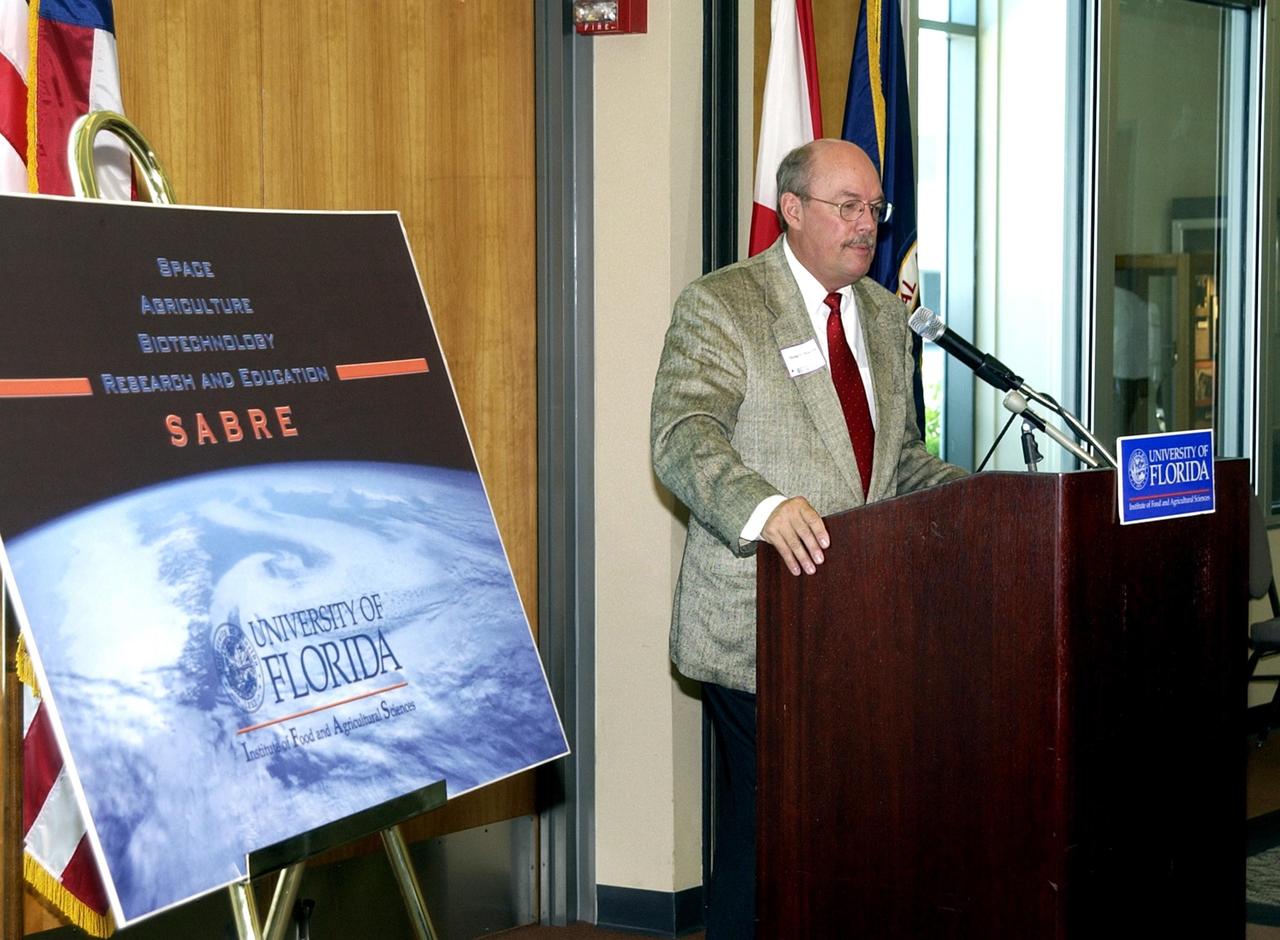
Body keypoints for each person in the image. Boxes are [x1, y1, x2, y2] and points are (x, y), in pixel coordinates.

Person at [650, 138, 966, 938]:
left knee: (847, 840)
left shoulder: (888, 320)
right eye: (848, 207)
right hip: (759, 629)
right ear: (791, 211)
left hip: (865, 631)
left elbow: (894, 465)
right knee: (767, 844)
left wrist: (994, 500)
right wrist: (764, 507)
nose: (868, 226)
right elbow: (685, 435)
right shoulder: (724, 305)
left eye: (875, 209)